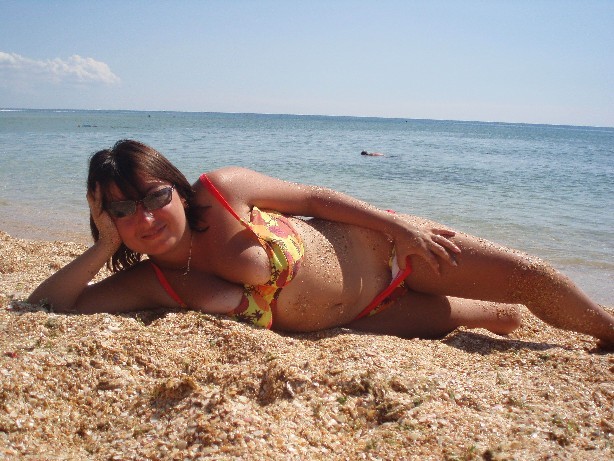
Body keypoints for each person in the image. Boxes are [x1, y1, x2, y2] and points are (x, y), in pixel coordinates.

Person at [28, 140, 614, 346]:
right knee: (497, 318)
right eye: (122, 211)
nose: (146, 217)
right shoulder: (150, 281)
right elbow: (48, 305)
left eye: (154, 196)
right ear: (107, 218)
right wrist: (102, 247)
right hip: (364, 320)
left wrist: (399, 229)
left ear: (176, 188)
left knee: (533, 278)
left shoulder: (222, 191)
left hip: (390, 252)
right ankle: (485, 314)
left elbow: (313, 197)